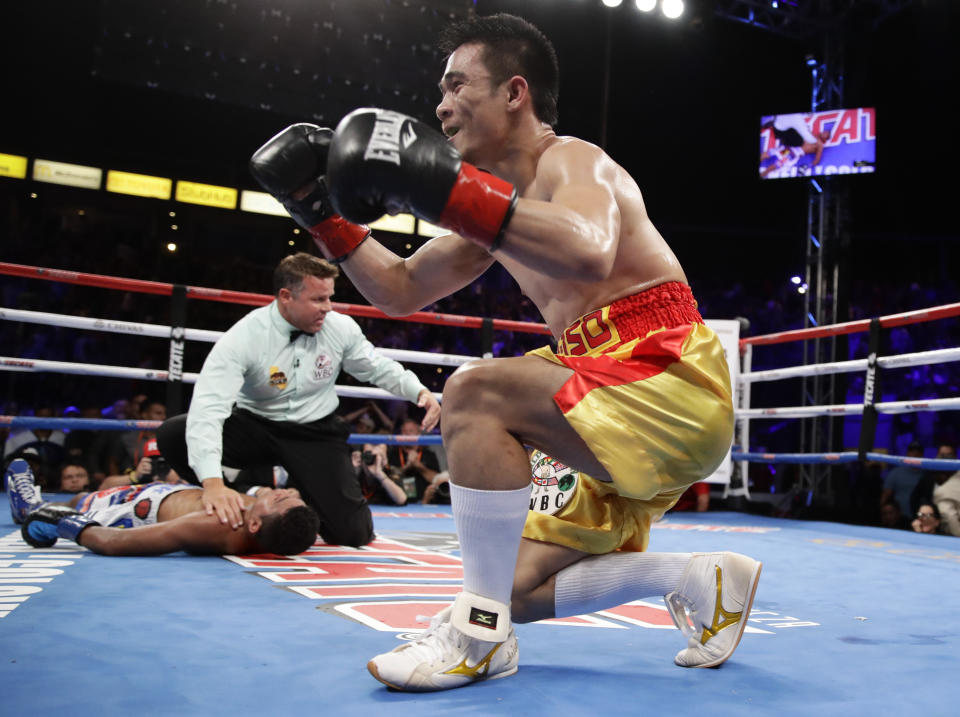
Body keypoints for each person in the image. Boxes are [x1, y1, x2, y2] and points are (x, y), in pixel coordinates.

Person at [249, 12, 759, 691]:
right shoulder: (492, 215)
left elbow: (587, 245)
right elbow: (400, 289)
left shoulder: (572, 160)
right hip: (603, 393)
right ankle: (696, 578)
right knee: (504, 583)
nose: (440, 107)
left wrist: (444, 187)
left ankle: (478, 639)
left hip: (667, 379)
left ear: (514, 93)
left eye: (458, 86)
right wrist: (318, 211)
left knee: (474, 390)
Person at [156, 252, 440, 548]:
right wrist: (212, 484)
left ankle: (301, 499)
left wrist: (418, 391)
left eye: (329, 298)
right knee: (174, 435)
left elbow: (375, 367)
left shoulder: (339, 328)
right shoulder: (245, 337)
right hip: (256, 425)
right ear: (286, 296)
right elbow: (209, 408)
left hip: (314, 432)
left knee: (353, 534)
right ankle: (239, 499)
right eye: (318, 300)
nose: (327, 308)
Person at [6, 458, 319, 556]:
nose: (280, 492)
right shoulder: (270, 522)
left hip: (134, 511)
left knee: (79, 503)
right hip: (170, 493)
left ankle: (30, 508)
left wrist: (68, 524)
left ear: (253, 526)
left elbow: (112, 543)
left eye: (278, 498)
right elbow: (289, 511)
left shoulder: (215, 526)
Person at [879, 440, 925, 517]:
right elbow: (886, 495)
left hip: (920, 516)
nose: (915, 454)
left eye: (918, 451)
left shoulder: (927, 474)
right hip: (899, 517)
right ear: (907, 453)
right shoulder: (896, 473)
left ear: (922, 454)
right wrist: (882, 515)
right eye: (912, 451)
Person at [932, 468, 960, 537]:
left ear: (942, 475)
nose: (934, 478)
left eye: (935, 474)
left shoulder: (943, 491)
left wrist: (958, 536)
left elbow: (949, 516)